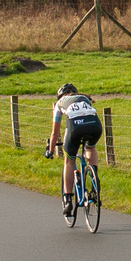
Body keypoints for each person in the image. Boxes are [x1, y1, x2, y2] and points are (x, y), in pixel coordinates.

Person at [45, 81, 103, 217]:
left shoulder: (59, 104)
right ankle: (94, 176)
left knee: (69, 160)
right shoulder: (85, 98)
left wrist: (50, 150)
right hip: (95, 126)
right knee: (90, 147)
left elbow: (55, 133)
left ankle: (68, 199)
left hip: (76, 129)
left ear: (61, 96)